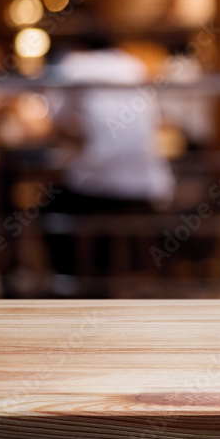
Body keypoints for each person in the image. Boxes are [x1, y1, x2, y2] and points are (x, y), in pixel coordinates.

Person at [42, 30, 175, 286]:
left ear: (77, 45)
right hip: (148, 186)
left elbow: (53, 120)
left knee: (49, 210)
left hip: (101, 187)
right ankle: (111, 280)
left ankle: (71, 285)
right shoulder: (133, 65)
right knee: (95, 206)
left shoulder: (74, 65)